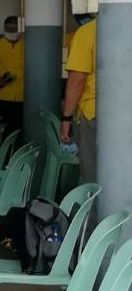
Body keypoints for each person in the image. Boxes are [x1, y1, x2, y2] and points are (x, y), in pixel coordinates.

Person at [61, 14, 96, 187]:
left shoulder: (88, 32)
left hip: (94, 113)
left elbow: (77, 80)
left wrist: (66, 118)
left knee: (92, 176)